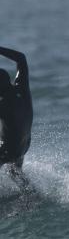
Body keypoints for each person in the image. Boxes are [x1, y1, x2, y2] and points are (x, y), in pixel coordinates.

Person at [0, 47, 33, 189]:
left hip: (9, 148)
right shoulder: (21, 86)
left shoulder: (3, 104)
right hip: (24, 144)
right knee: (15, 172)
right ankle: (31, 195)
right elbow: (21, 57)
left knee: (11, 163)